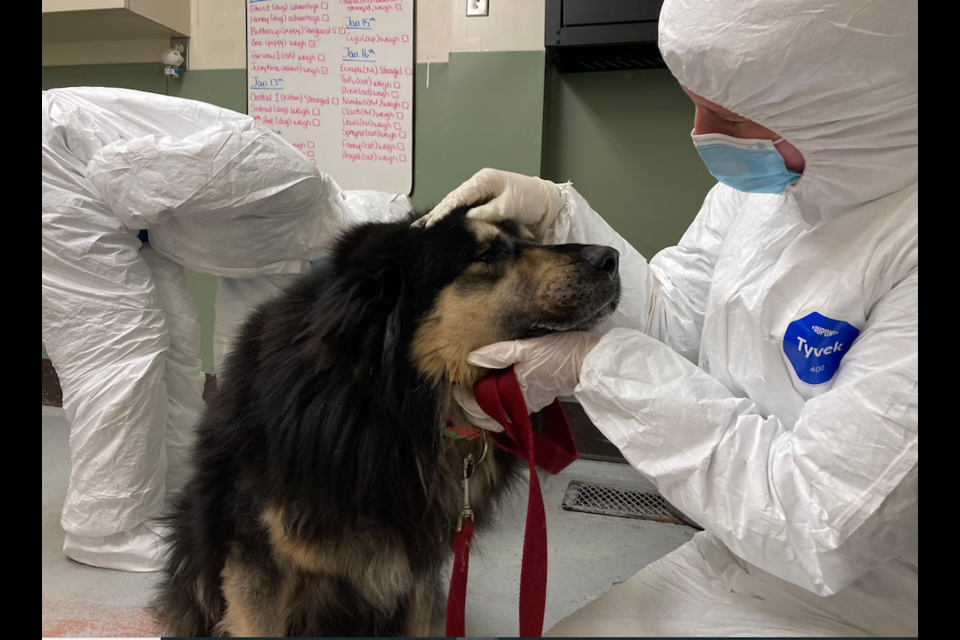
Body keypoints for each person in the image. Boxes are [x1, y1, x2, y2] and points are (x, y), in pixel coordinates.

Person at [422, 0, 917, 635]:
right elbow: (678, 316)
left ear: (851, 106)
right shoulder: (764, 196)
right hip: (739, 545)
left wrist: (596, 364)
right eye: (693, 98)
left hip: (873, 597)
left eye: (730, 114)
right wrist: (558, 214)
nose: (699, 131)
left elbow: (820, 524)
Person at [42, 87, 410, 571]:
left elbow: (243, 347)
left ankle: (170, 493)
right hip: (62, 174)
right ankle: (105, 530)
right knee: (122, 352)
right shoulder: (292, 185)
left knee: (176, 349)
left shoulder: (291, 252)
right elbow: (122, 172)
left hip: (124, 216)